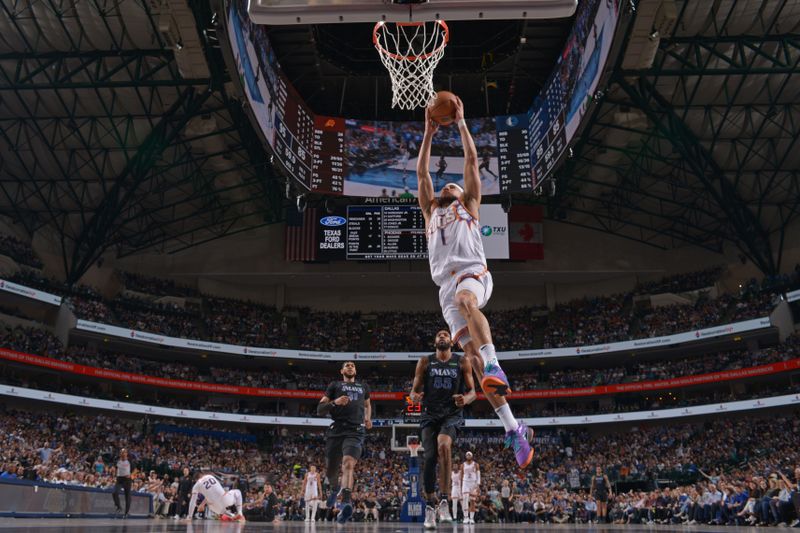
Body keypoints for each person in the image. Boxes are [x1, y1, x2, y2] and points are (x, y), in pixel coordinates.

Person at [416, 96, 534, 468]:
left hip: (473, 273)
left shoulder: (469, 205)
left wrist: (462, 123)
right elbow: (421, 175)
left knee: (470, 302)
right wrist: (427, 133)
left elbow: (469, 161)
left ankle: (495, 361)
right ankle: (515, 430)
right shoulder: (429, 213)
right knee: (475, 369)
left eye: (452, 185)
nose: (447, 187)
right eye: (445, 186)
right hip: (445, 290)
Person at [410, 329, 476, 529]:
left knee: (444, 446)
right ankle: (431, 505)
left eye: (445, 334)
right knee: (430, 457)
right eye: (438, 335)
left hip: (451, 413)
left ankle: (445, 500)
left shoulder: (462, 361)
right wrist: (413, 396)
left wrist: (465, 399)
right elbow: (414, 390)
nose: (441, 336)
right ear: (434, 341)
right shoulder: (425, 361)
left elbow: (473, 392)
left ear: (451, 341)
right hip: (429, 414)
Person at [317, 360, 372, 524]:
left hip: (355, 430)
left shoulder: (364, 387)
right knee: (332, 472)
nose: (350, 366)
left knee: (348, 463)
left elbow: (368, 405)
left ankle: (346, 503)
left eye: (353, 365)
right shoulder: (334, 385)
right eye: (347, 365)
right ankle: (335, 489)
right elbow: (319, 409)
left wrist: (368, 418)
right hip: (336, 430)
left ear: (355, 370)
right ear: (342, 370)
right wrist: (335, 402)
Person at [111, 448, 132, 517]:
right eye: (122, 452)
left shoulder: (130, 461)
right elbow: (114, 468)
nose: (123, 453)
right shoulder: (117, 461)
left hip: (127, 480)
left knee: (127, 496)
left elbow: (135, 470)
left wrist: (131, 475)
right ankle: (119, 507)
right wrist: (113, 470)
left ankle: (126, 513)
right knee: (114, 492)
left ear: (126, 453)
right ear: (120, 453)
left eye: (124, 452)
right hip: (119, 479)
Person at [461, 451, 480, 524]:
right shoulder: (463, 465)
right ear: (466, 456)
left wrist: (478, 484)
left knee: (472, 501)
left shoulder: (476, 464)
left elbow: (478, 474)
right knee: (465, 500)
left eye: (469, 455)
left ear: (472, 456)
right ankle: (466, 517)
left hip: (473, 483)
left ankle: (471, 518)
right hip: (465, 482)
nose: (468, 456)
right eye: (467, 455)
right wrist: (461, 485)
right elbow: (461, 475)